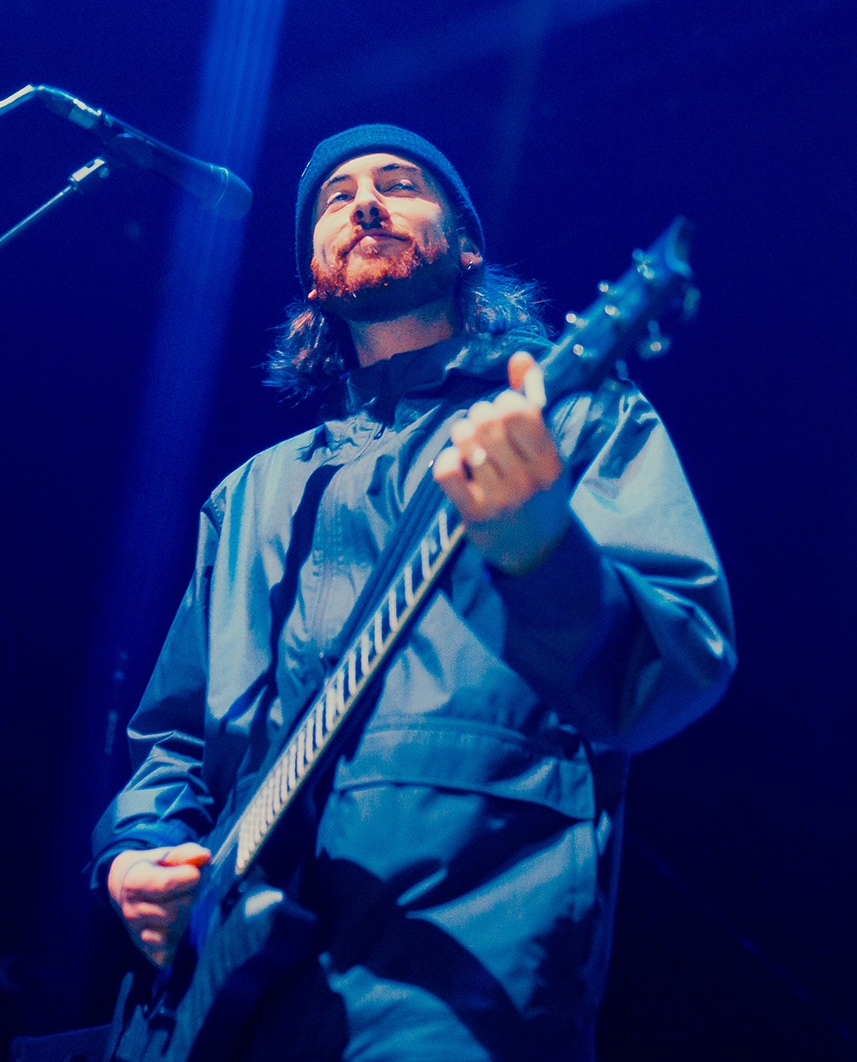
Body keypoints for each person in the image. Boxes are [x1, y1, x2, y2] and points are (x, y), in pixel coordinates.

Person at [90, 125, 735, 1061]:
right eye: (336, 196)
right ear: (314, 278)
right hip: (219, 1007)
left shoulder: (570, 418)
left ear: (465, 245)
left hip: (459, 976)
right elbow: (175, 738)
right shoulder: (248, 497)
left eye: (399, 183)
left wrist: (539, 550)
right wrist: (136, 853)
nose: (365, 202)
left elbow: (674, 663)